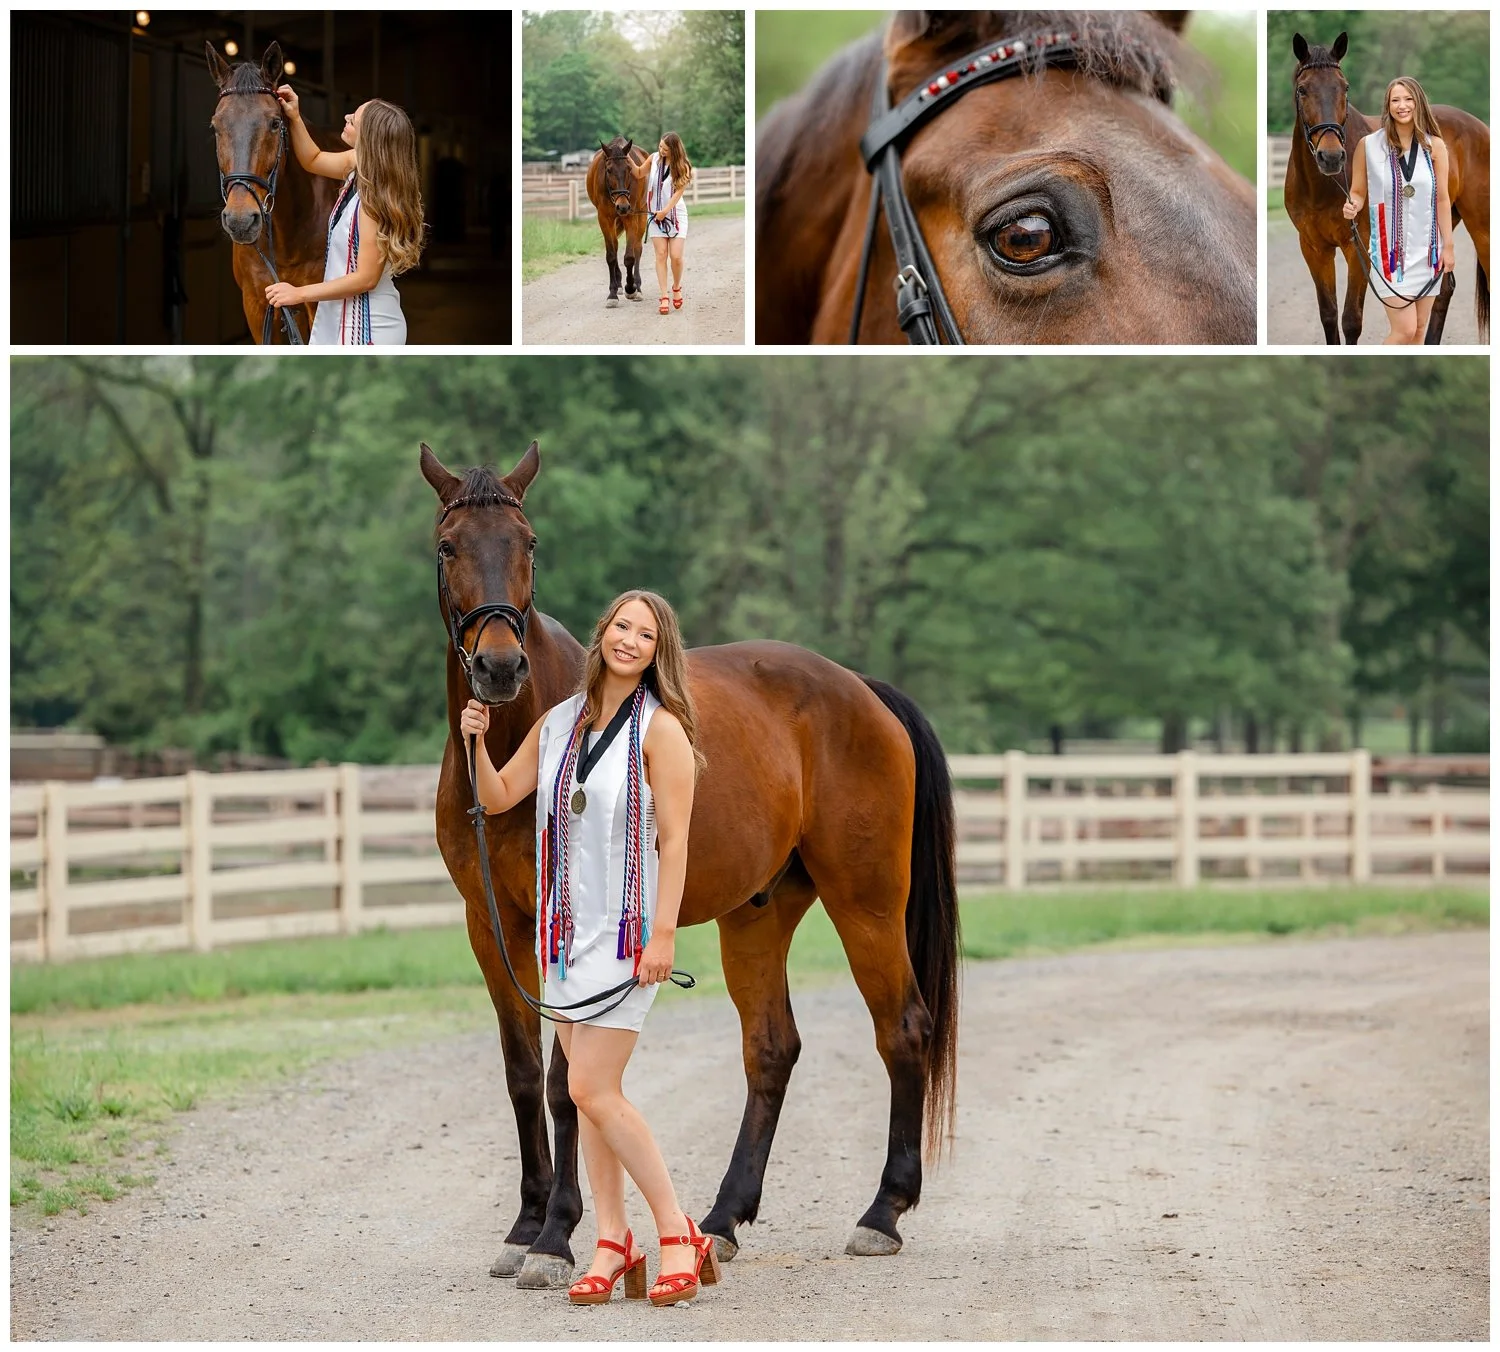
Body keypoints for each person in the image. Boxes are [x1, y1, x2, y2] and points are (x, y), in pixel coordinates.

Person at [458, 590, 720, 1308]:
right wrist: (477, 737)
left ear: (657, 651)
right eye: (622, 627)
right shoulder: (559, 722)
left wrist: (664, 932)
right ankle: (611, 1239)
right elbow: (502, 794)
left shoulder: (660, 731)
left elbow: (678, 840)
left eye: (646, 633)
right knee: (596, 1098)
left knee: (590, 1090)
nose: (629, 640)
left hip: (629, 935)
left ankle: (677, 1233)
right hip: (565, 940)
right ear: (602, 634)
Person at [265, 91, 425, 344]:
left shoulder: (374, 201)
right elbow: (313, 159)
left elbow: (366, 278)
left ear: (369, 139)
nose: (346, 117)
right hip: (344, 315)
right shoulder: (358, 164)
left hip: (370, 325)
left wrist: (299, 293)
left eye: (354, 120)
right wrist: (294, 117)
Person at [1341, 75, 1456, 344]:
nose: (1402, 105)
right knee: (1403, 330)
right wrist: (1353, 205)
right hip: (1389, 254)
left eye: (1408, 99)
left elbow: (1442, 199)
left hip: (1428, 252)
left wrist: (1448, 246)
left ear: (1418, 103)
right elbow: (1358, 191)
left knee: (1418, 330)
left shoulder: (1435, 147)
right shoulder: (1369, 146)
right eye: (1395, 100)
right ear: (1388, 105)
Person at [631, 133, 693, 316]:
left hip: (675, 214)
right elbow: (639, 172)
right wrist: (626, 156)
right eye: (660, 147)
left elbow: (678, 193)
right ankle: (664, 295)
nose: (661, 151)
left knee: (675, 256)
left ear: (674, 149)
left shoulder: (683, 166)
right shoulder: (654, 158)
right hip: (654, 215)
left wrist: (665, 211)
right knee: (660, 254)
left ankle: (676, 287)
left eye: (665, 149)